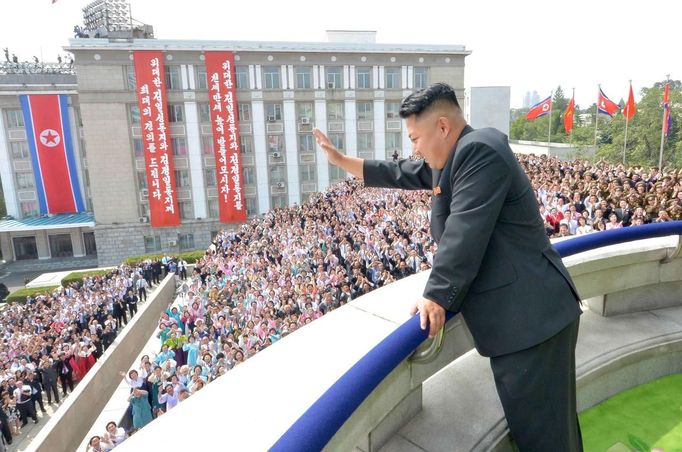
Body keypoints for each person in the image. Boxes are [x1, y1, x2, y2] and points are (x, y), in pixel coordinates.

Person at [313, 82, 583, 451]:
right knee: (548, 431)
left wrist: (436, 294)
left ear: (443, 127)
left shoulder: (480, 150)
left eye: (416, 138)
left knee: (546, 436)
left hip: (532, 321)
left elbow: (465, 229)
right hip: (527, 320)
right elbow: (402, 172)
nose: (415, 149)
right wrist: (343, 161)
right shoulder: (453, 158)